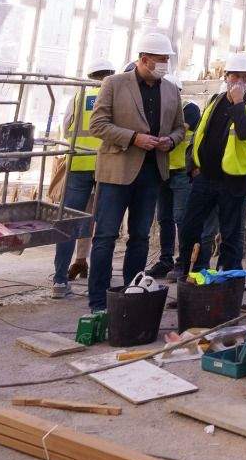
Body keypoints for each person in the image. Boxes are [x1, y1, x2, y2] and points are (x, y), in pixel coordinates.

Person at [87, 30, 183, 312]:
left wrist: (171, 140)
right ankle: (99, 301)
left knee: (140, 237)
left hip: (152, 173)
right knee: (105, 237)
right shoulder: (115, 84)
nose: (165, 64)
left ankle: (131, 294)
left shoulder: (170, 90)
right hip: (118, 171)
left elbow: (180, 127)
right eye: (161, 59)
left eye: (167, 59)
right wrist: (133, 137)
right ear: (144, 59)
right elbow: (98, 125)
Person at [177, 51, 246, 282]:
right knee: (190, 229)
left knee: (231, 236)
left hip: (233, 181)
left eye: (244, 77)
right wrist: (193, 167)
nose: (239, 81)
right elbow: (199, 134)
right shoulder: (214, 100)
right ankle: (194, 276)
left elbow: (245, 131)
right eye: (234, 76)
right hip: (205, 178)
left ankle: (229, 284)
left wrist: (237, 102)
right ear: (226, 76)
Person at [50, 58, 115, 298]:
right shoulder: (114, 96)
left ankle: (59, 281)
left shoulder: (78, 97)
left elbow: (66, 129)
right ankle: (100, 283)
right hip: (106, 164)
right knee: (104, 225)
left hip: (78, 164)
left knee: (69, 223)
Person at [150, 99, 219, 281]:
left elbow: (179, 131)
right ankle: (166, 261)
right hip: (163, 170)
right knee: (164, 218)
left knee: (183, 219)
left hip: (182, 172)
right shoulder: (159, 107)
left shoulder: (189, 108)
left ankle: (185, 261)